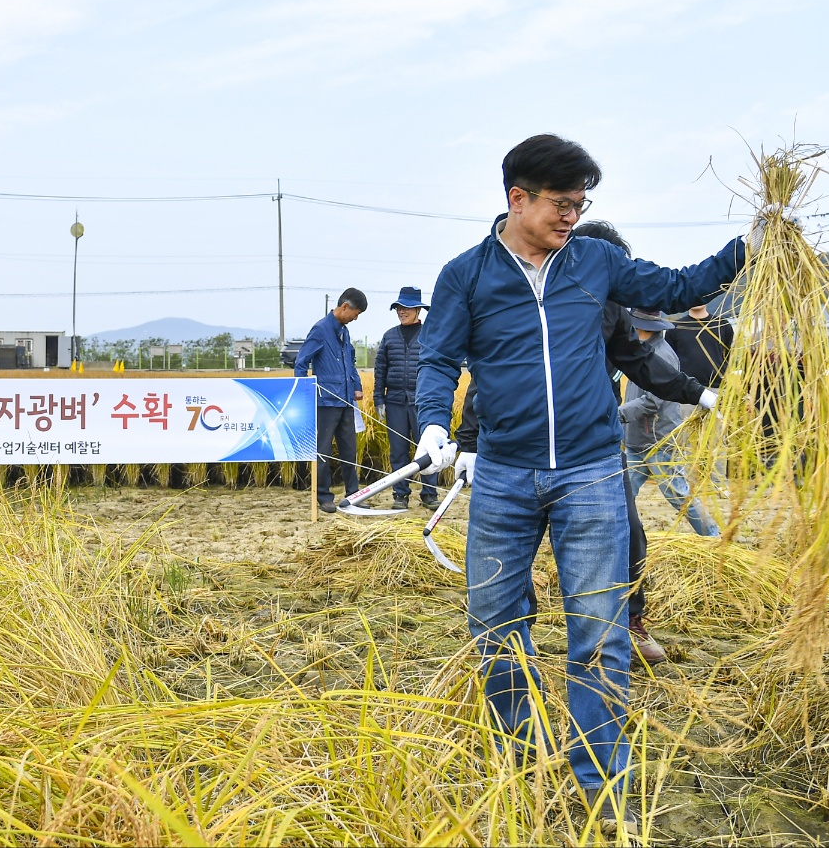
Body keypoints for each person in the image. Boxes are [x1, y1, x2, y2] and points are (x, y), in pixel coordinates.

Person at [414, 134, 747, 831]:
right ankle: (517, 763)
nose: (572, 215)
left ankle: (603, 788)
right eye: (561, 203)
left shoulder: (595, 262)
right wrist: (432, 427)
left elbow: (676, 285)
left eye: (580, 203)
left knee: (597, 634)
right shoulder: (464, 276)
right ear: (517, 198)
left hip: (592, 475)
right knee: (497, 629)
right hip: (502, 476)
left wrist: (746, 248)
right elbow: (440, 358)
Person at [451, 220, 716, 666]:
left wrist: (697, 392)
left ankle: (629, 623)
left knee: (629, 536)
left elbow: (639, 360)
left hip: (593, 452)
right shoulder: (519, 297)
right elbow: (484, 379)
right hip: (518, 455)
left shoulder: (609, 305)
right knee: (512, 549)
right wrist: (469, 442)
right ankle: (516, 635)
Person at [619, 310, 722, 538]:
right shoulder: (639, 351)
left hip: (659, 441)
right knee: (622, 494)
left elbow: (652, 402)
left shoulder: (662, 355)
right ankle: (617, 537)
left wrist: (621, 414)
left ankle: (714, 536)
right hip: (637, 440)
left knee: (680, 495)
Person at [293, 288, 367, 513]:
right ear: (345, 307)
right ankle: (324, 496)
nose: (356, 318)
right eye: (356, 313)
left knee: (349, 450)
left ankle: (353, 495)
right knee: (323, 450)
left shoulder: (344, 332)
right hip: (326, 402)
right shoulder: (320, 330)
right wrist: (304, 391)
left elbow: (350, 364)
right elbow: (301, 362)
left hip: (345, 401)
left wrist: (356, 387)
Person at [373, 286, 439, 510]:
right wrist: (378, 399)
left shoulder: (430, 334)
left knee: (428, 450)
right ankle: (400, 495)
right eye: (399, 307)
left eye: (407, 307)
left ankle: (429, 494)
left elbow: (438, 367)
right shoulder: (389, 336)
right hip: (395, 403)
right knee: (398, 452)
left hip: (422, 403)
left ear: (418, 309)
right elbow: (380, 369)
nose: (402, 311)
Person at [669, 303, 733, 387]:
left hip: (717, 386)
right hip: (686, 388)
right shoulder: (675, 327)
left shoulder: (722, 324)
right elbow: (670, 361)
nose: (696, 301)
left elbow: (728, 355)